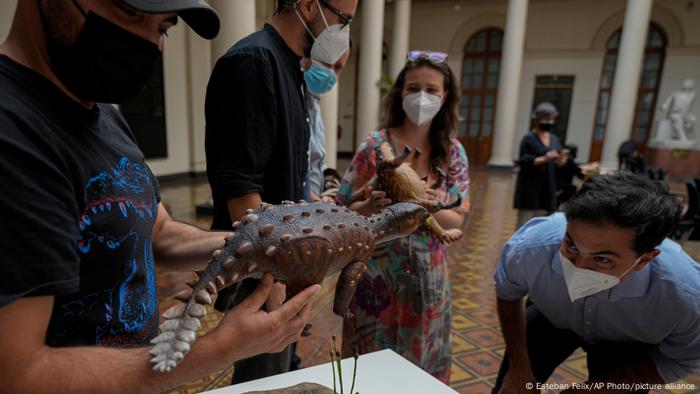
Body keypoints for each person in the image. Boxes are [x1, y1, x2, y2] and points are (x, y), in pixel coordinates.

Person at [0, 1, 319, 393]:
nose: (148, 41)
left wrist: (263, 243)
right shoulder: (12, 128)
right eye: (131, 13)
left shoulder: (103, 114)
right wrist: (221, 347)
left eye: (164, 28)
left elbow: (159, 233)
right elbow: (18, 374)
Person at [204, 0, 358, 383]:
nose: (343, 32)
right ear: (308, 6)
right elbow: (242, 191)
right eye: (344, 20)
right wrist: (274, 289)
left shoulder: (290, 68)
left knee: (279, 374)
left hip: (280, 268)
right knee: (262, 381)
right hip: (262, 272)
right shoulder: (254, 63)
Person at [493, 172, 700, 394]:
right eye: (571, 246)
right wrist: (518, 367)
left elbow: (681, 358)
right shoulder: (531, 248)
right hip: (552, 315)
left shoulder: (685, 296)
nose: (578, 268)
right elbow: (508, 291)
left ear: (645, 260)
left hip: (628, 340)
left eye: (602, 259)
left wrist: (598, 390)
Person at [337, 51, 470, 383]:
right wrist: (369, 205)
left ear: (446, 97)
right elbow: (343, 210)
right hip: (375, 277)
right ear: (400, 93)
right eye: (413, 88)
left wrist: (428, 203)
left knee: (420, 368)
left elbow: (457, 219)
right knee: (369, 368)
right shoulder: (375, 145)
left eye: (431, 89)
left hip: (429, 278)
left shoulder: (453, 152)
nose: (421, 97)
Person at [303, 44, 351, 203]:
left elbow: (315, 160)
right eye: (327, 62)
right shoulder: (293, 99)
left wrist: (328, 190)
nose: (331, 71)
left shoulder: (315, 103)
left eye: (338, 67)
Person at [513, 102, 563, 228]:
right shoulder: (528, 139)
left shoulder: (554, 139)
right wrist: (544, 158)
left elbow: (558, 161)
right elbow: (525, 160)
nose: (549, 122)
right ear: (538, 119)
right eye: (546, 119)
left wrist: (560, 159)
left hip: (546, 189)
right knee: (524, 226)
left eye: (551, 119)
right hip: (530, 188)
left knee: (540, 226)